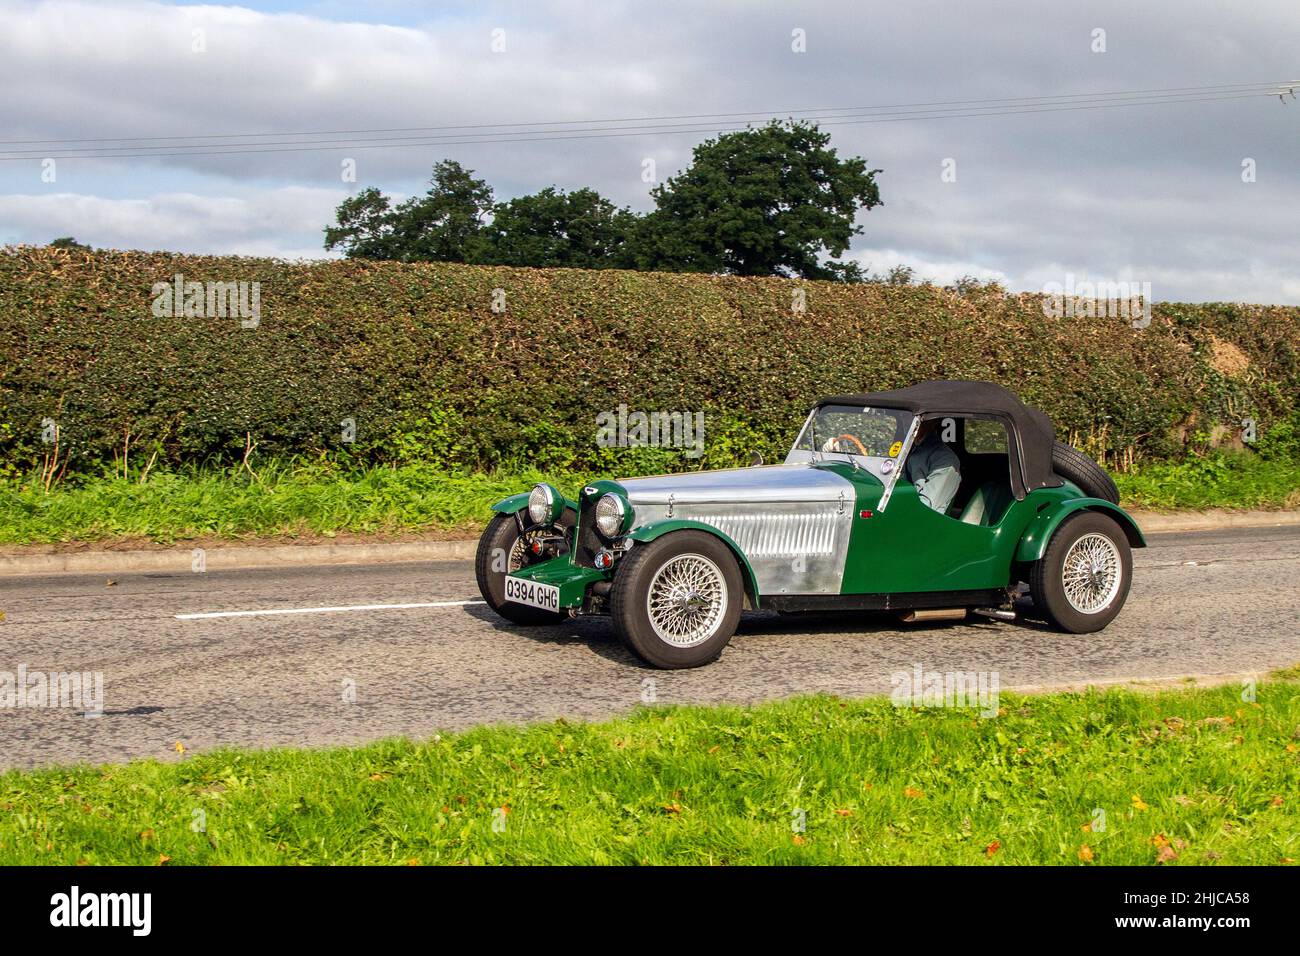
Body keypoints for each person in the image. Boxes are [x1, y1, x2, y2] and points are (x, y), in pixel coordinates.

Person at [904, 418, 961, 514]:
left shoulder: (946, 459)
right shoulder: (907, 448)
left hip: (925, 522)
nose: (906, 422)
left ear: (932, 422)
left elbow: (924, 506)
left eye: (917, 419)